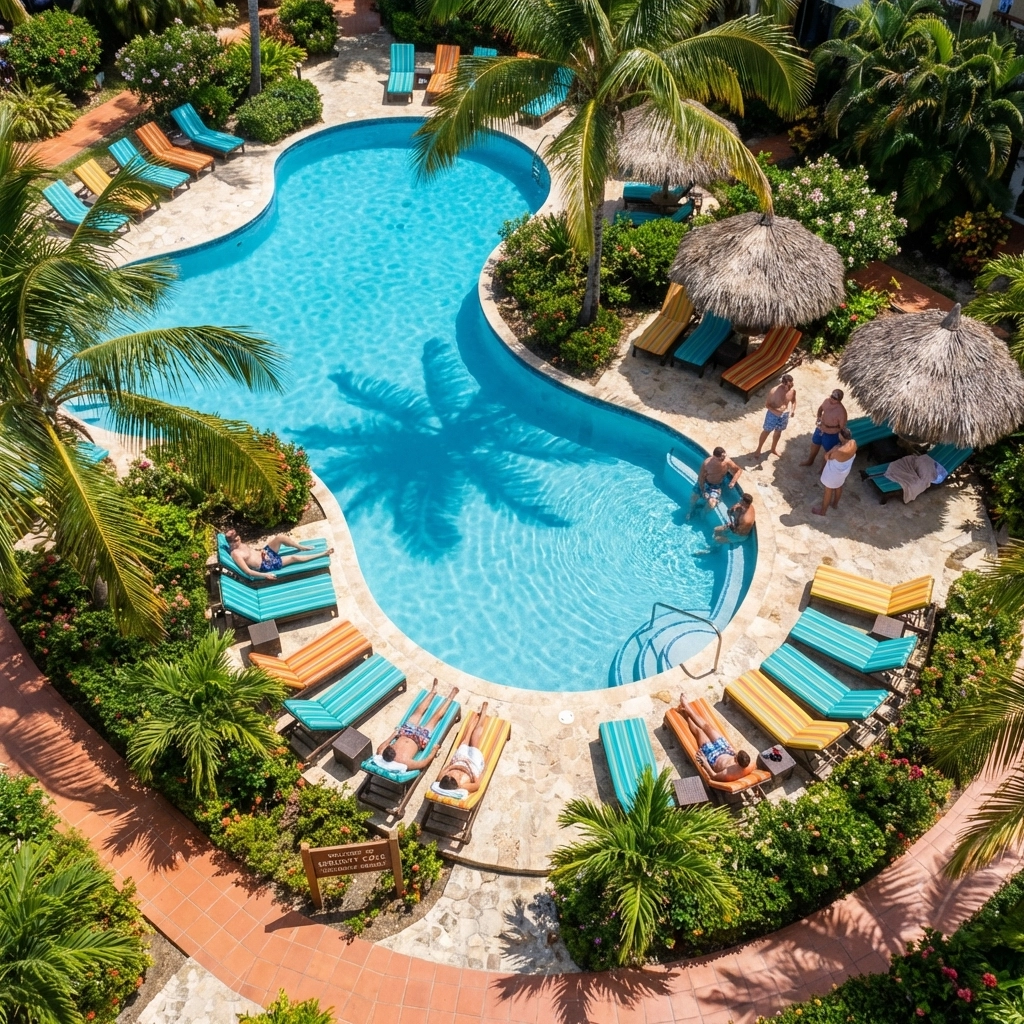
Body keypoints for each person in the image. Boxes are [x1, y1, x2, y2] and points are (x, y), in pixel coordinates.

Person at [375, 680, 459, 772]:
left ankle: (433, 692)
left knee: (417, 712)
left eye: (391, 747)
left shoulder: (381, 752)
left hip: (405, 732)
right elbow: (423, 763)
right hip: (420, 739)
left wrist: (393, 735)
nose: (392, 747)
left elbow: (384, 744)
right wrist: (434, 751)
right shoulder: (404, 763)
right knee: (436, 718)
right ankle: (451, 697)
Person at [677, 697, 753, 783]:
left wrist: (705, 762)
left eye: (736, 756)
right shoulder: (749, 764)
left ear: (737, 762)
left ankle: (685, 714)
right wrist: (733, 752)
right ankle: (687, 707)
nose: (735, 755)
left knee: (699, 731)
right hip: (726, 750)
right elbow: (745, 760)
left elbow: (714, 776)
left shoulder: (730, 773)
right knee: (707, 726)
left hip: (713, 756)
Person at [225, 528, 333, 581]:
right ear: (231, 542)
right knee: (293, 557)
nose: (239, 541)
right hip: (266, 565)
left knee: (280, 537)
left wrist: (262, 552)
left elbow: (252, 553)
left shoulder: (240, 545)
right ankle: (323, 554)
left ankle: (300, 547)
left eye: (238, 539)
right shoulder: (236, 554)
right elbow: (248, 571)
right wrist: (265, 575)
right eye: (236, 540)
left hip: (264, 554)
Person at [435, 702, 490, 795]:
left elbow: (445, 769)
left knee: (466, 738)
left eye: (448, 776)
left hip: (459, 760)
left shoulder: (441, 780)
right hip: (473, 764)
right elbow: (477, 784)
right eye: (452, 777)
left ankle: (474, 720)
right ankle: (482, 716)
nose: (450, 775)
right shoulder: (463, 786)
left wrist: (454, 766)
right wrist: (474, 772)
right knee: (474, 739)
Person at [813, 426, 857, 516]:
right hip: (844, 471)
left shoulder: (839, 450)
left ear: (841, 437)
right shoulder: (853, 443)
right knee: (839, 486)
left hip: (834, 473)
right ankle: (835, 504)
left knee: (828, 491)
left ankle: (823, 511)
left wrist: (833, 449)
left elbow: (827, 457)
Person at [689, 447, 743, 515]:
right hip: (705, 483)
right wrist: (703, 490)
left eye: (724, 456)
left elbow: (739, 470)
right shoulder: (707, 463)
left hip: (716, 486)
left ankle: (702, 513)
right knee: (693, 497)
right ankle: (690, 510)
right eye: (720, 458)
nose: (723, 459)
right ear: (714, 457)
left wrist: (733, 482)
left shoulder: (727, 462)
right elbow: (700, 478)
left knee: (712, 504)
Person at [801, 389, 848, 467]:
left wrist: (840, 438)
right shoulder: (826, 401)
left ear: (839, 400)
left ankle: (823, 469)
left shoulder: (841, 412)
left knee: (828, 451)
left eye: (835, 399)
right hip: (820, 428)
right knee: (815, 444)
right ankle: (810, 461)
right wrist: (819, 418)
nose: (832, 399)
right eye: (832, 397)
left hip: (831, 434)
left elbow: (842, 427)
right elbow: (820, 409)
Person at [753, 374, 797, 458]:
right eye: (787, 385)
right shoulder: (774, 391)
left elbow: (794, 401)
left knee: (778, 432)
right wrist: (777, 410)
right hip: (773, 415)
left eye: (791, 384)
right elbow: (767, 405)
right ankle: (758, 449)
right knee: (766, 431)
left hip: (784, 415)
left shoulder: (792, 391)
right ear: (783, 383)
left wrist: (793, 410)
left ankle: (773, 449)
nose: (789, 387)